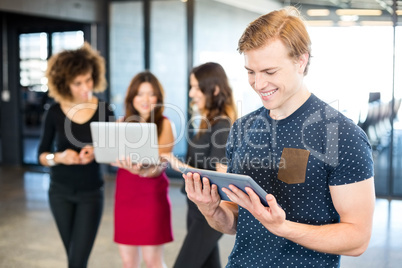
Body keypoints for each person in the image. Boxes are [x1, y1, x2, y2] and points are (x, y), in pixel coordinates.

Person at [182, 6, 375, 268]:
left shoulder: (342, 135)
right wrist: (212, 209)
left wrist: (283, 228)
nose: (259, 84)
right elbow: (236, 222)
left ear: (301, 61)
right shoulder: (242, 129)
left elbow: (357, 238)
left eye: (270, 72)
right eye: (251, 71)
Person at [37, 42, 115, 268]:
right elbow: (40, 155)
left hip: (91, 193)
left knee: (77, 260)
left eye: (89, 80)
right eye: (77, 83)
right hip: (59, 193)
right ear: (64, 83)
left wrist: (97, 151)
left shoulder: (104, 110)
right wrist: (58, 158)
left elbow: (115, 153)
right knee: (73, 256)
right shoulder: (54, 112)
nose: (85, 87)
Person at [162, 62, 237, 268]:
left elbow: (221, 174)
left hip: (210, 210)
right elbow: (200, 163)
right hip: (195, 208)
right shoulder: (208, 121)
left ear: (213, 89)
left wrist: (173, 161)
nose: (191, 93)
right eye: (191, 87)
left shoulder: (222, 125)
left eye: (196, 87)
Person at [111, 71, 175, 268]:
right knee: (128, 262)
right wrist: (117, 161)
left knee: (152, 261)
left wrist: (143, 171)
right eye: (140, 94)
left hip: (152, 196)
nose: (145, 99)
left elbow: (161, 164)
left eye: (151, 94)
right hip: (126, 194)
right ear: (132, 97)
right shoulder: (121, 124)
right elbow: (113, 157)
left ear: (158, 97)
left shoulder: (165, 124)